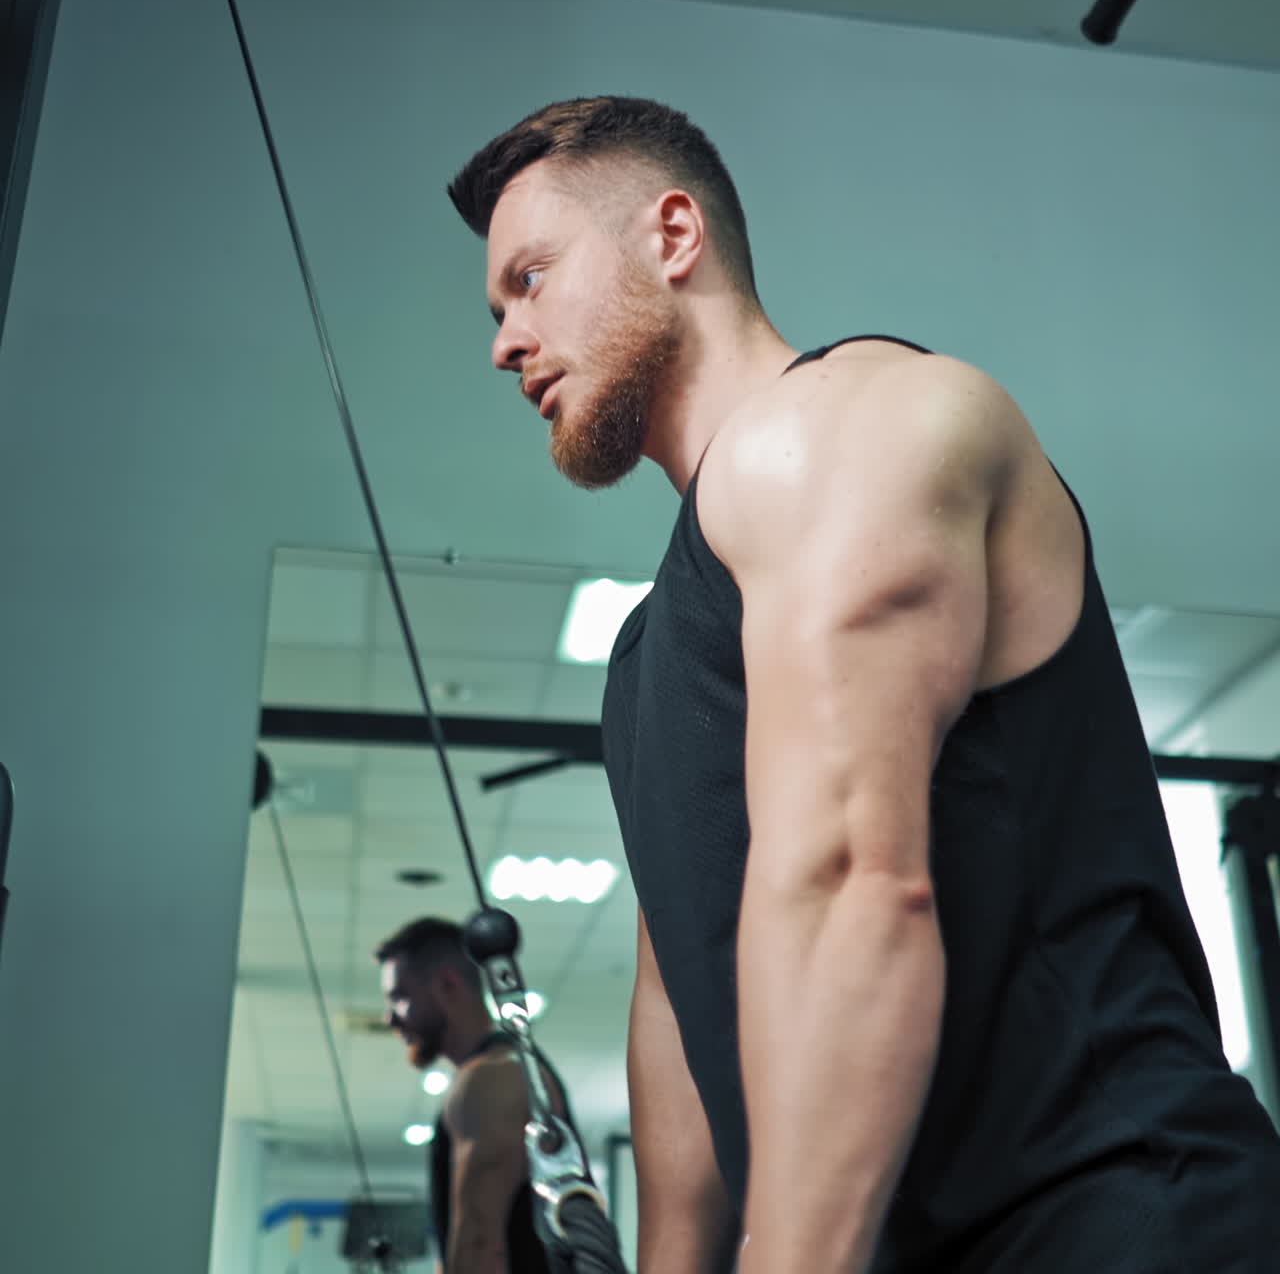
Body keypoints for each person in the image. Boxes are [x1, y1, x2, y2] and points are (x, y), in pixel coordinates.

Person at [444, 96, 1280, 1273]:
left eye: (529, 280)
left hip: (1122, 1214)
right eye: (497, 310)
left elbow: (852, 883)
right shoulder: (642, 663)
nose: (504, 342)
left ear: (672, 235)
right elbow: (680, 1008)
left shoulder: (850, 422)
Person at [375, 916, 571, 1274]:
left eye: (400, 998)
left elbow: (481, 1243)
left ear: (447, 985)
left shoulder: (492, 1079)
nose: (390, 1019)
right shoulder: (495, 1073)